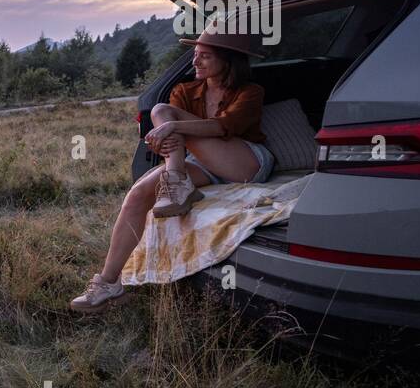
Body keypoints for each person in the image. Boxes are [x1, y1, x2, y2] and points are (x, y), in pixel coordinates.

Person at [70, 18, 276, 313]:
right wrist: (170, 134)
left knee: (164, 114)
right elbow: (178, 133)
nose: (196, 60)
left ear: (227, 60)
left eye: (204, 55)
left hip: (243, 160)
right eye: (196, 54)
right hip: (198, 162)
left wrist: (169, 130)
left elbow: (224, 127)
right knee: (139, 193)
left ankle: (175, 179)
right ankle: (108, 283)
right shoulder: (185, 90)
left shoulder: (250, 91)